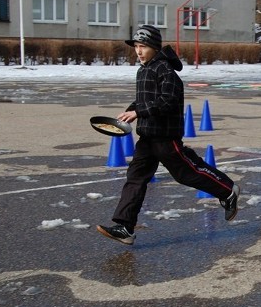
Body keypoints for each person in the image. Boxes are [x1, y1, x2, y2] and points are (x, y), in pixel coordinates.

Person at [97, 24, 239, 245]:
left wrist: (139, 111)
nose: (138, 51)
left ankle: (228, 191)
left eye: (143, 46)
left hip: (165, 136)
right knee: (135, 179)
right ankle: (125, 227)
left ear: (154, 47)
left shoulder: (165, 71)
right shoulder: (143, 70)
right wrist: (130, 110)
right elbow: (145, 100)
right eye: (136, 46)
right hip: (146, 137)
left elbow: (168, 102)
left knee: (186, 173)